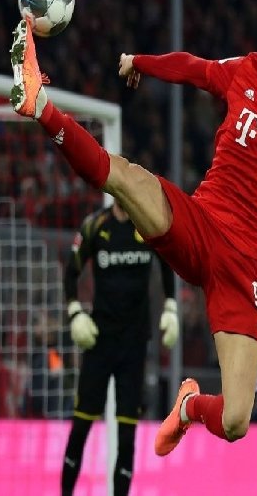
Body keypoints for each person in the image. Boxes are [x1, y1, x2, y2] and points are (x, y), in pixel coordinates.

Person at [10, 0, 257, 456]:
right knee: (125, 178)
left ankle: (187, 406)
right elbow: (196, 69)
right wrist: (140, 62)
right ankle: (42, 106)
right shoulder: (248, 70)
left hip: (243, 269)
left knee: (235, 420)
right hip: (200, 223)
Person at [60, 200, 178, 496]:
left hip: (134, 346)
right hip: (99, 342)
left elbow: (169, 263)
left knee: (126, 436)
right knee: (81, 427)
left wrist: (171, 307)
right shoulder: (95, 226)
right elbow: (71, 271)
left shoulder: (147, 224)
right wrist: (75, 312)